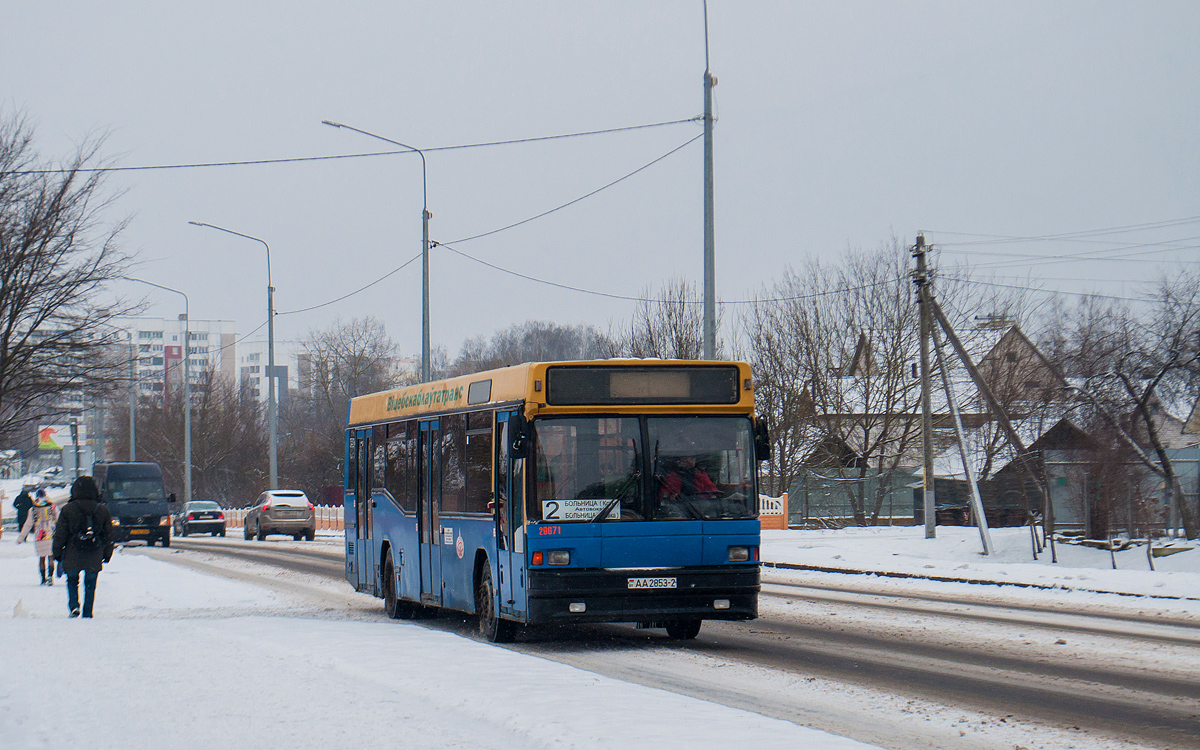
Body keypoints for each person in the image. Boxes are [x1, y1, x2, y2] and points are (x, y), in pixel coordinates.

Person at [51, 476, 113, 619]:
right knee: (91, 583)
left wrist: (57, 552)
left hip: (73, 551)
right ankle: (87, 611)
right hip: (94, 552)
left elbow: (60, 534)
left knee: (72, 580)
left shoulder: (68, 509)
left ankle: (74, 606)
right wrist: (107, 553)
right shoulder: (102, 510)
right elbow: (108, 535)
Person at [17, 489, 59, 584]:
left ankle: (43, 579)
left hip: (39, 535)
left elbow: (28, 524)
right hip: (50, 534)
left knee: (42, 558)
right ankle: (50, 577)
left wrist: (21, 538)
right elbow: (58, 520)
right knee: (51, 557)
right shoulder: (52, 507)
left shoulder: (33, 509)